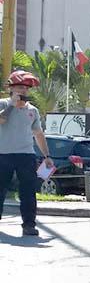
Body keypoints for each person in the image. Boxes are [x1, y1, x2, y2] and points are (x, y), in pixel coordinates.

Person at [0, 70, 54, 236]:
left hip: (26, 155)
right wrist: (12, 106)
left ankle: (29, 224)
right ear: (11, 88)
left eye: (26, 88)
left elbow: (38, 134)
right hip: (3, 154)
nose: (23, 91)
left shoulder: (33, 110)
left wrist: (47, 156)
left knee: (28, 191)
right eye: (20, 87)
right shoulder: (3, 104)